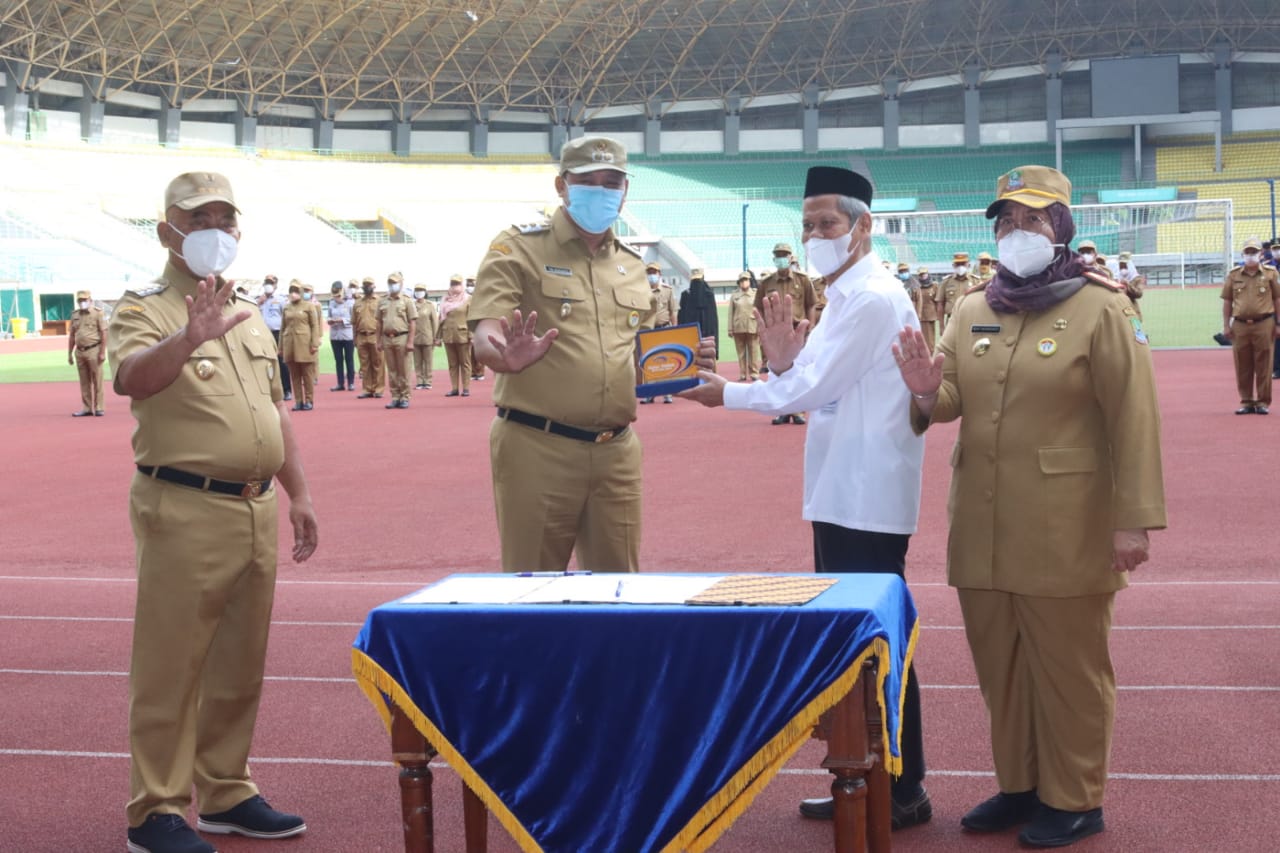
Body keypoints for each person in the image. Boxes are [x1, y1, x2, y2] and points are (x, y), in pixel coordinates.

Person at [894, 164, 1166, 848]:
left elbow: (1134, 418)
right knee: (1002, 666)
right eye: (1006, 221)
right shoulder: (972, 307)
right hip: (983, 526)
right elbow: (950, 398)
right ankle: (1019, 784)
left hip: (1066, 527)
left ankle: (1075, 798)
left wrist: (1132, 518)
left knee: (1069, 670)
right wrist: (926, 390)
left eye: (1033, 220)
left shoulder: (1104, 308)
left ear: (1062, 229)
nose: (1017, 232)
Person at [680, 165, 932, 832]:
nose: (815, 235)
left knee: (877, 639)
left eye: (826, 223)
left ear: (862, 226)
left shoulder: (874, 298)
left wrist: (726, 391)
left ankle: (901, 787)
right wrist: (785, 357)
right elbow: (810, 379)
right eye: (807, 224)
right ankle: (863, 771)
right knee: (855, 640)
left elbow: (807, 392)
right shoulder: (845, 295)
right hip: (842, 489)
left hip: (865, 494)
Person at [109, 171, 317, 853]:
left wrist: (299, 493)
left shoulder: (248, 308)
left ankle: (227, 790)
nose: (215, 230)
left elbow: (271, 409)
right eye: (199, 219)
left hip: (253, 507)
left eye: (225, 219)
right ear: (167, 229)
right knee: (171, 664)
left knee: (239, 661)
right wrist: (187, 338)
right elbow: (129, 378)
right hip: (184, 504)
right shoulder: (146, 306)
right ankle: (156, 809)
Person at [470, 135, 715, 573]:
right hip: (537, 446)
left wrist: (681, 365)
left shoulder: (631, 265)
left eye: (612, 182)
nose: (601, 191)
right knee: (533, 590)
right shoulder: (518, 247)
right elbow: (486, 332)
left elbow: (632, 359)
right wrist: (502, 355)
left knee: (619, 592)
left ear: (625, 192)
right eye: (588, 181)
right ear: (561, 185)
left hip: (616, 450)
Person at [757, 243, 816, 424]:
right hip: (776, 335)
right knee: (778, 373)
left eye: (785, 255)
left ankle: (798, 410)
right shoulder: (767, 283)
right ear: (774, 258)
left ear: (791, 258)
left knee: (799, 372)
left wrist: (811, 327)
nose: (781, 258)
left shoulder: (803, 280)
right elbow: (758, 306)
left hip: (797, 331)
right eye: (778, 255)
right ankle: (782, 409)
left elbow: (811, 304)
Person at [1222, 237, 1280, 415]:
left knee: (1264, 364)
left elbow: (1277, 299)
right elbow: (1227, 301)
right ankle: (1247, 401)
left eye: (1254, 252)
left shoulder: (1271, 273)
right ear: (1242, 254)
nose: (1250, 255)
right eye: (1247, 252)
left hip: (1264, 323)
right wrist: (1226, 325)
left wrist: (1278, 323)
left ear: (1261, 254)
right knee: (1243, 365)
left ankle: (1263, 401)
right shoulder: (1234, 274)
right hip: (1240, 325)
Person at [377, 271, 417, 409]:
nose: (392, 285)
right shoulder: (382, 301)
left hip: (402, 337)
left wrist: (411, 341)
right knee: (392, 370)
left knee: (404, 370)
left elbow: (412, 322)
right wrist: (379, 340)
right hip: (387, 338)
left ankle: (405, 396)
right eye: (390, 282)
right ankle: (395, 397)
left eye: (395, 282)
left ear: (401, 284)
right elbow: (379, 323)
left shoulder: (406, 300)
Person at [280, 281, 321, 411]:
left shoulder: (309, 306)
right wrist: (280, 347)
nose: (293, 294)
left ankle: (309, 400)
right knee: (295, 375)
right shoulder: (286, 307)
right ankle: (298, 401)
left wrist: (314, 343)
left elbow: (315, 326)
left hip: (304, 344)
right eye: (291, 291)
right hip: (290, 344)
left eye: (296, 291)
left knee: (307, 374)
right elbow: (282, 328)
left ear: (301, 292)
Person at [641, 261, 678, 403]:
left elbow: (673, 311)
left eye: (654, 272)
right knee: (649, 362)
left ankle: (667, 393)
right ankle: (650, 393)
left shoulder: (667, 291)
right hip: (648, 331)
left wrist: (675, 329)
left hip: (664, 328)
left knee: (666, 360)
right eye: (649, 273)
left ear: (659, 274)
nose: (651, 275)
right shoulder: (642, 292)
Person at [68, 289, 107, 416]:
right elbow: (72, 335)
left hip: (94, 350)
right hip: (80, 351)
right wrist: (69, 353)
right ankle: (87, 408)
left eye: (84, 300)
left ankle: (99, 407)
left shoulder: (98, 313)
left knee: (97, 380)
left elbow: (104, 333)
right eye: (80, 300)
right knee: (84, 381)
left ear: (90, 300)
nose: (82, 302)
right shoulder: (75, 315)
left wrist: (102, 352)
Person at [256, 274, 291, 401]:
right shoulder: (258, 300)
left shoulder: (281, 300)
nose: (268, 285)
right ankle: (268, 391)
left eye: (271, 283)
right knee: (264, 362)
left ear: (276, 285)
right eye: (266, 283)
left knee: (281, 362)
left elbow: (286, 317)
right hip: (262, 333)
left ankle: (287, 390)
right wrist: (259, 302)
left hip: (277, 333)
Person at [438, 274, 472, 397]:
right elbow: (440, 319)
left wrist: (472, 335)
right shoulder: (445, 299)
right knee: (452, 364)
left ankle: (466, 388)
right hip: (448, 335)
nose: (455, 286)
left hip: (463, 334)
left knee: (465, 363)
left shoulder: (468, 299)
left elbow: (471, 318)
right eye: (453, 284)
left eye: (457, 284)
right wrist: (438, 336)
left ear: (461, 285)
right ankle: (454, 388)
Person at [353, 276, 385, 399]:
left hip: (375, 335)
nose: (367, 287)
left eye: (369, 284)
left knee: (378, 363)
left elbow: (383, 320)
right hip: (361, 335)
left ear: (374, 286)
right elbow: (354, 322)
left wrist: (381, 338)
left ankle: (378, 389)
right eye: (365, 285)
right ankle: (367, 389)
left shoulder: (379, 301)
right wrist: (354, 338)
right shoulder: (358, 303)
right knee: (364, 364)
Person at [729, 271, 761, 381]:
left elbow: (760, 311)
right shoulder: (734, 295)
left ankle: (754, 373)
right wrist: (730, 328)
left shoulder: (756, 293)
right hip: (738, 326)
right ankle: (742, 374)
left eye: (746, 280)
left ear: (750, 281)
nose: (744, 282)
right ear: (739, 283)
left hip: (753, 325)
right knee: (741, 352)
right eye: (742, 280)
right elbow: (730, 313)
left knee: (753, 351)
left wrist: (761, 326)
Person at [936, 251, 977, 333]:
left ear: (968, 265)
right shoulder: (946, 282)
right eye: (958, 264)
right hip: (952, 319)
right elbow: (940, 304)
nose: (960, 266)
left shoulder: (975, 281)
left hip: (971, 319)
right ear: (953, 265)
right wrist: (941, 326)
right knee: (951, 345)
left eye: (963, 264)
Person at [326, 281, 355, 391]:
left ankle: (351, 383)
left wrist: (342, 320)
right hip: (335, 335)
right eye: (335, 296)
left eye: (338, 295)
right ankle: (340, 383)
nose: (336, 298)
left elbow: (353, 319)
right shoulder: (331, 303)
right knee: (338, 360)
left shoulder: (351, 303)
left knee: (349, 359)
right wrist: (330, 321)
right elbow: (328, 316)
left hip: (347, 335)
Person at [412, 283, 439, 390]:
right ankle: (419, 381)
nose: (419, 292)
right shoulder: (411, 305)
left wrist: (435, 337)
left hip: (428, 337)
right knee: (417, 361)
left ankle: (427, 381)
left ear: (425, 292)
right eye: (417, 290)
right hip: (415, 338)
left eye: (421, 290)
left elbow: (435, 322)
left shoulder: (429, 305)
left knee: (428, 361)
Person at [915, 266, 939, 351]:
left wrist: (939, 315)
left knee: (930, 339)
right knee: (920, 337)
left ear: (928, 274)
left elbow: (938, 301)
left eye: (924, 274)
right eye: (921, 275)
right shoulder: (916, 287)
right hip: (919, 315)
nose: (923, 276)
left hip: (930, 316)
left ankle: (930, 354)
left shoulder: (934, 286)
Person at [1115, 252, 1145, 320]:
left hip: (1131, 308)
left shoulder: (1137, 279)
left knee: (1132, 327)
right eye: (1121, 265)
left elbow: (1139, 294)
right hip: (1118, 309)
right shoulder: (1116, 277)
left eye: (1125, 265)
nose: (1123, 268)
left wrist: (1128, 285)